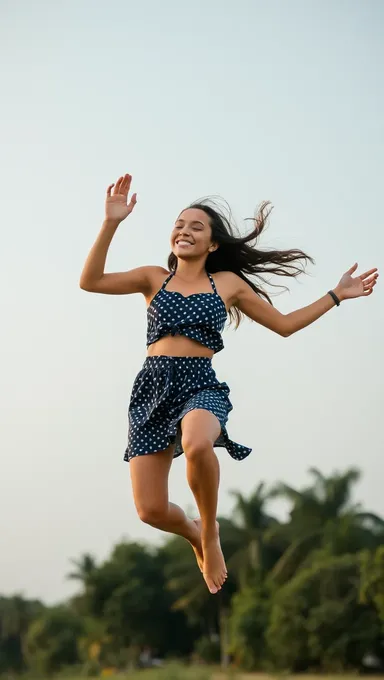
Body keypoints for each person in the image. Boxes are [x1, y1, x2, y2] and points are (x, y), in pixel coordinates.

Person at [80, 173, 378, 595]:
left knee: (197, 444)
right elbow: (89, 281)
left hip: (199, 384)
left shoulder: (228, 285)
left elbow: (285, 326)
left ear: (213, 244)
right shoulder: (152, 278)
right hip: (151, 388)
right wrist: (111, 221)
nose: (184, 230)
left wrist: (336, 295)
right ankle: (194, 530)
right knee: (150, 511)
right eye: (179, 225)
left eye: (196, 226)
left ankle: (210, 533)